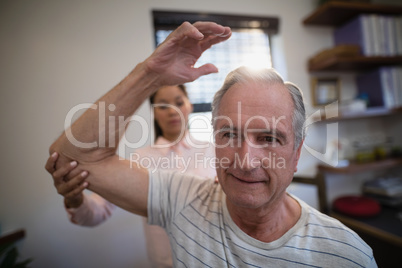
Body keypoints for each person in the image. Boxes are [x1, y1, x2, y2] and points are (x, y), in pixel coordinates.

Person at [45, 21, 377, 267]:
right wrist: (150, 74)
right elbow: (76, 157)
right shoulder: (178, 194)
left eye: (269, 138)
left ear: (297, 152)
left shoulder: (346, 255)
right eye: (229, 135)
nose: (245, 161)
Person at [50, 84, 216, 267]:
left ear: (190, 105)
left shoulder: (214, 151)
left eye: (179, 102)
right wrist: (75, 198)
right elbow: (97, 211)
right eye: (163, 105)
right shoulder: (139, 159)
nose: (172, 111)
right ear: (153, 112)